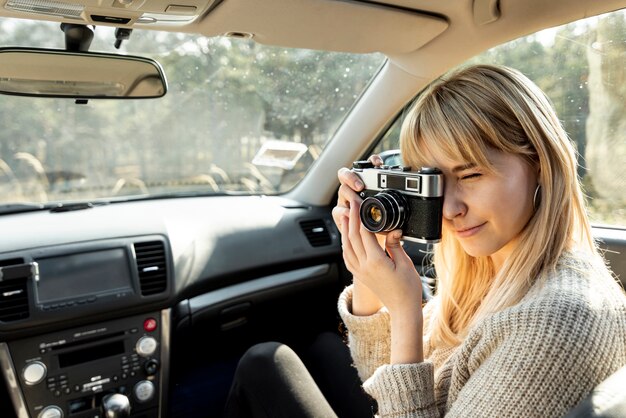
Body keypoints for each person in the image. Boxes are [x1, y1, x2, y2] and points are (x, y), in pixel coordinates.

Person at [223, 64, 626, 417]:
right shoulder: (491, 267)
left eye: (471, 175)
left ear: (540, 164)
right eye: (434, 182)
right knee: (293, 356)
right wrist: (369, 267)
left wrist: (404, 309)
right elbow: (383, 385)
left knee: (263, 368)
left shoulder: (553, 323)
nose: (449, 209)